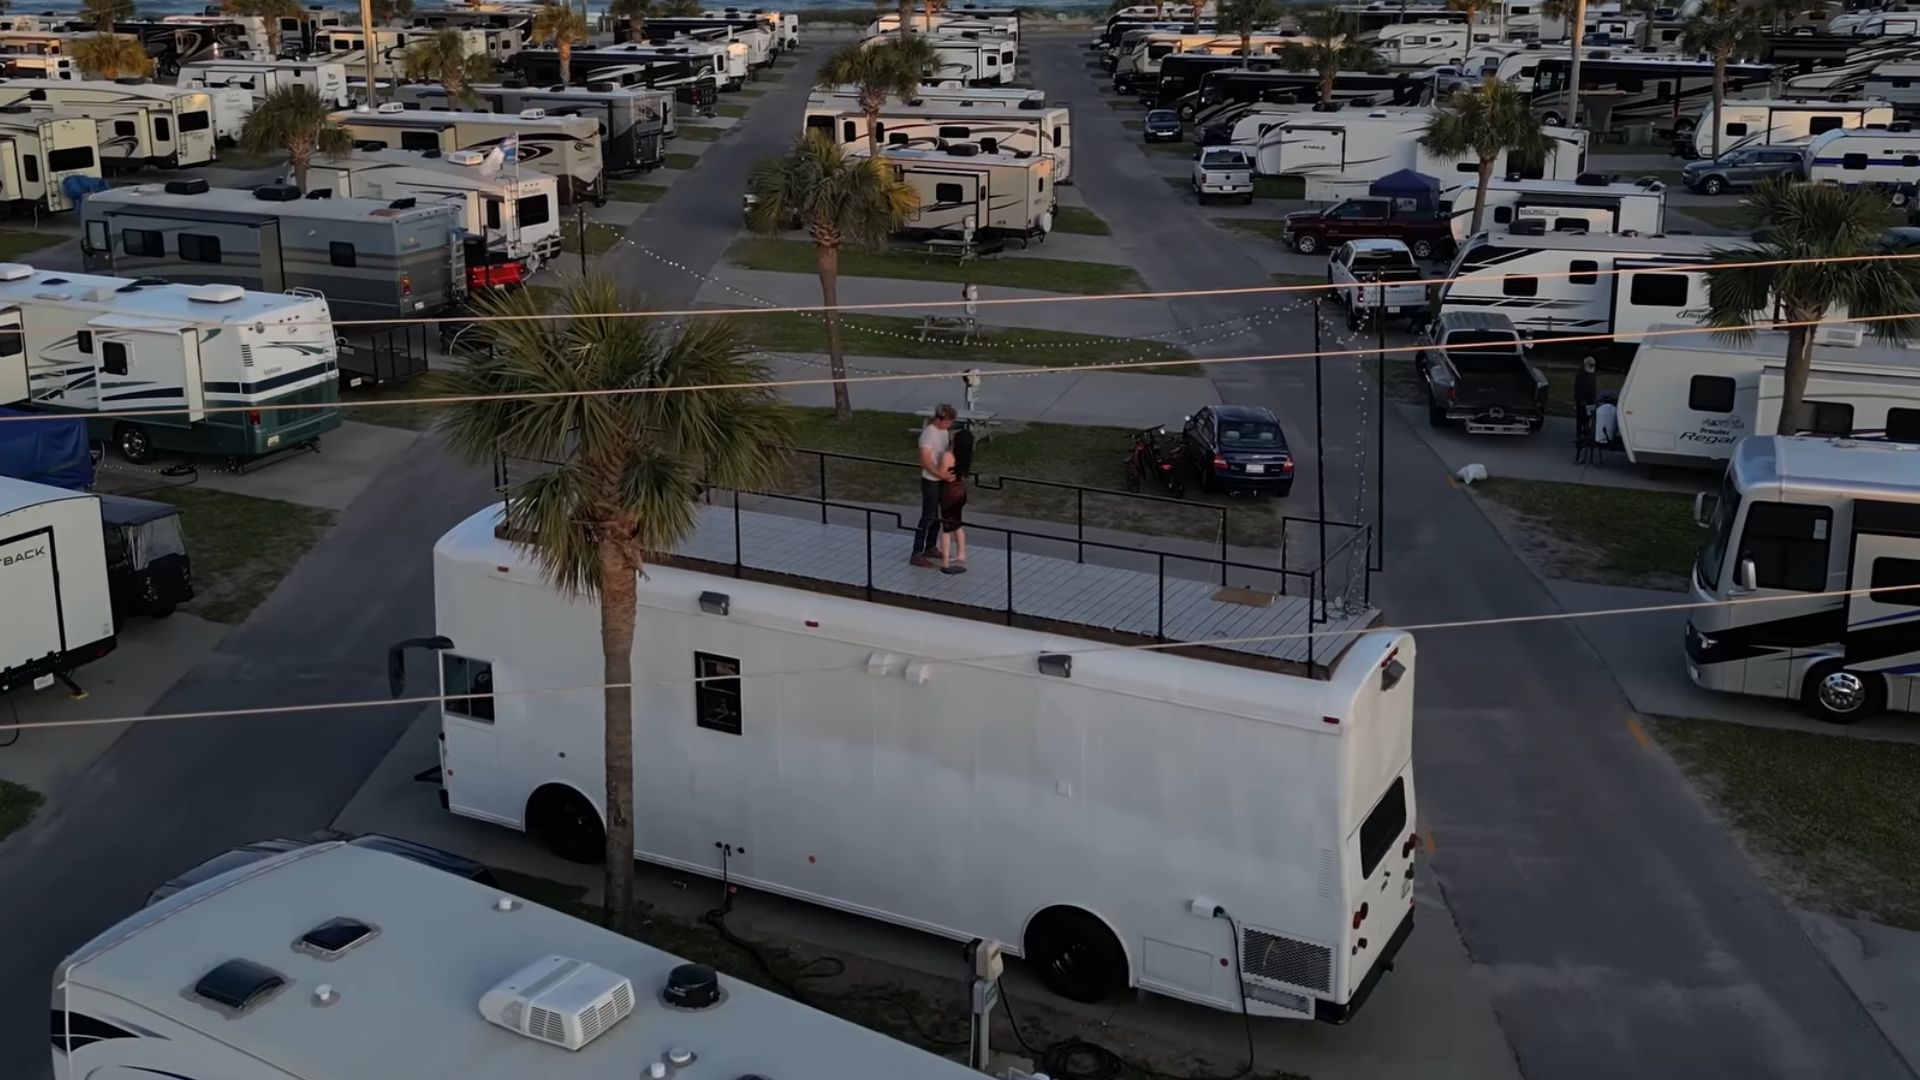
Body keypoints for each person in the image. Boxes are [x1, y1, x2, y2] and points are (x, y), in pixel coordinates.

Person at [911, 405, 956, 567]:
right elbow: (925, 460)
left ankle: (930, 546)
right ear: (940, 419)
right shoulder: (929, 433)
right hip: (931, 480)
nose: (949, 426)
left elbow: (943, 450)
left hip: (941, 479)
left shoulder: (943, 432)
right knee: (928, 516)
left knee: (938, 516)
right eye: (948, 422)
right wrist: (939, 474)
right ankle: (916, 553)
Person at [937, 429, 973, 575]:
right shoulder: (963, 457)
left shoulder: (948, 456)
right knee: (957, 523)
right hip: (960, 490)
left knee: (946, 528)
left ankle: (945, 560)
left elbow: (941, 474)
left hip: (949, 492)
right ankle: (961, 553)